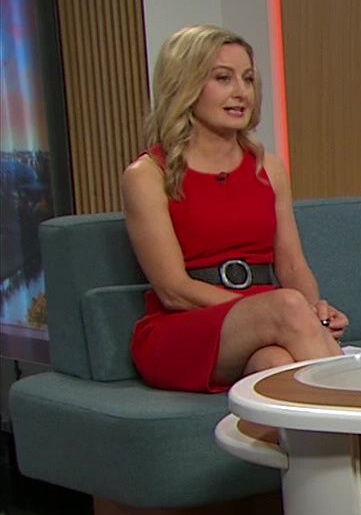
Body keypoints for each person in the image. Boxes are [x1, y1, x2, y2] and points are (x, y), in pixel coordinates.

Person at [124, 25, 345, 393]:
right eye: (223, 78)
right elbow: (173, 289)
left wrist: (314, 312)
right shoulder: (147, 175)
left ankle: (328, 427)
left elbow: (292, 265)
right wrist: (276, 310)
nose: (241, 92)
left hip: (265, 317)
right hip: (182, 327)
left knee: (276, 365)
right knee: (288, 308)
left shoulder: (268, 168)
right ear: (186, 85)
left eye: (248, 79)